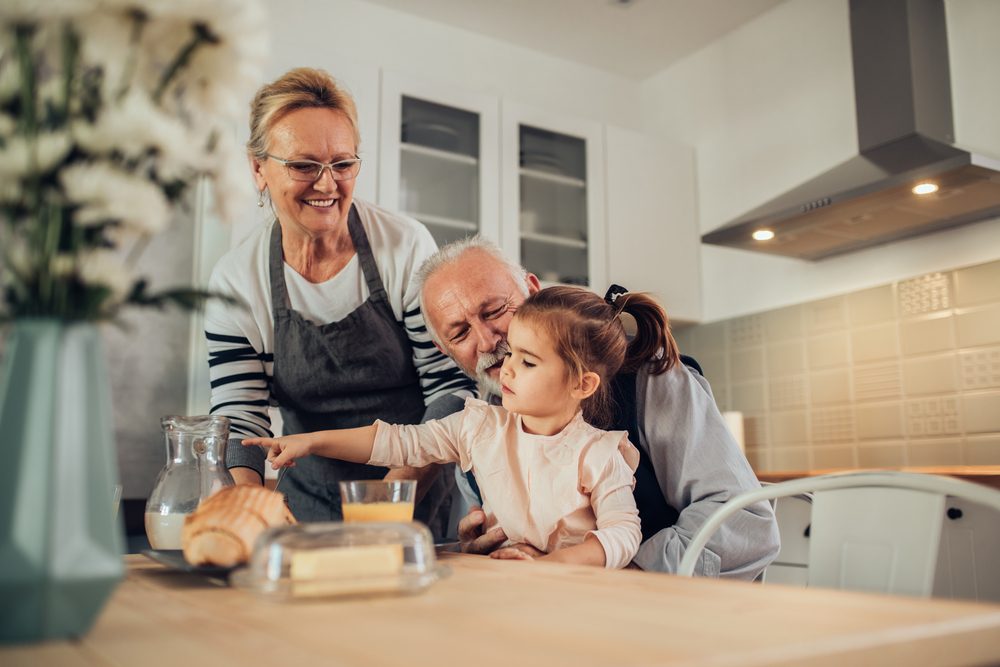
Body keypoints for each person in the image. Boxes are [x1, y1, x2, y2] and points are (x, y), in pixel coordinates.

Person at [415, 236, 780, 578]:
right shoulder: (473, 432)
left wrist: (613, 571)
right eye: (459, 333)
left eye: (495, 310)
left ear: (533, 293)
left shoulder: (649, 378)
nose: (486, 341)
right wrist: (487, 554)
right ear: (444, 350)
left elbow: (745, 523)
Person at [204, 68, 474, 527]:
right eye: (303, 165)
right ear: (258, 168)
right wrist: (253, 511)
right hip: (305, 500)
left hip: (414, 493)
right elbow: (240, 420)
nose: (327, 184)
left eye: (343, 164)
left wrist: (387, 504)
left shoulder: (404, 247)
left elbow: (450, 389)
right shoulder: (236, 281)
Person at [244, 285, 669, 569]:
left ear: (581, 384)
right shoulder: (477, 426)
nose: (506, 367)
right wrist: (311, 441)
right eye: (512, 353)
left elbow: (623, 533)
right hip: (510, 590)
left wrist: (549, 567)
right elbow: (398, 442)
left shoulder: (599, 453)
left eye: (528, 362)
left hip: (578, 598)